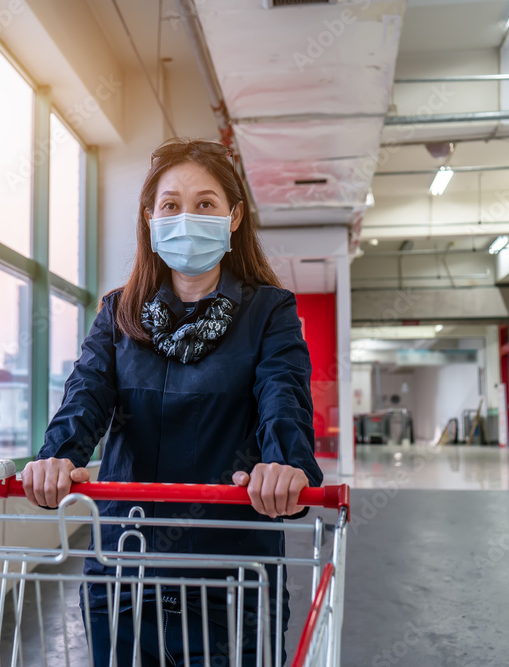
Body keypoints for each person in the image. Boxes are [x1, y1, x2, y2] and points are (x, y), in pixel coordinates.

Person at [22, 138, 323, 665]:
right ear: (149, 218)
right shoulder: (120, 313)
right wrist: (59, 455)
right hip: (126, 558)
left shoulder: (268, 312)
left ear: (233, 217)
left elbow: (284, 395)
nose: (187, 217)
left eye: (205, 204)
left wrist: (285, 465)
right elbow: (87, 392)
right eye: (171, 205)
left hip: (231, 567)